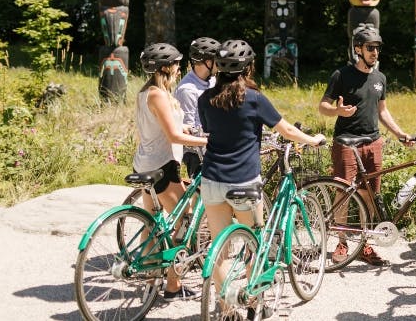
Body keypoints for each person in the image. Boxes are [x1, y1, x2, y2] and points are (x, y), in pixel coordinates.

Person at [198, 39, 325, 259]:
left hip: (211, 179)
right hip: (243, 180)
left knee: (218, 249)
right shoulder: (254, 99)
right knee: (254, 247)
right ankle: (252, 293)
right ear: (248, 68)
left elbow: (212, 130)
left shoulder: (205, 99)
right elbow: (288, 130)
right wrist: (313, 140)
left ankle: (221, 294)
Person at [318, 25, 412, 266]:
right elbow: (322, 106)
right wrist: (337, 110)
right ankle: (341, 241)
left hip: (373, 142)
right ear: (358, 49)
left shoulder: (380, 78)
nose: (375, 53)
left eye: (377, 48)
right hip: (346, 142)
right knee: (343, 193)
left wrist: (400, 133)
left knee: (368, 195)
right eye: (370, 48)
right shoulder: (341, 75)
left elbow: (383, 111)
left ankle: (364, 244)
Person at [133, 42, 208, 301]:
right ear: (165, 67)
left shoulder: (146, 93)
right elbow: (174, 136)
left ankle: (151, 277)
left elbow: (166, 126)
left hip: (146, 162)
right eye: (176, 64)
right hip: (162, 165)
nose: (179, 68)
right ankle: (173, 285)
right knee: (185, 220)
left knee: (152, 222)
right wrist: (209, 141)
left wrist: (190, 131)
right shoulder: (158, 95)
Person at [175, 36, 220, 178]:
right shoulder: (188, 90)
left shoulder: (212, 80)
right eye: (216, 61)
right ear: (208, 62)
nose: (220, 64)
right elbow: (188, 128)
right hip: (196, 153)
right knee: (201, 197)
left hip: (212, 147)